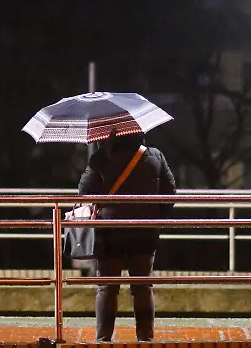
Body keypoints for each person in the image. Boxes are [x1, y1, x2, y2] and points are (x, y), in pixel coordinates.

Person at [78, 130, 177, 342]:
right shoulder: (155, 156)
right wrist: (154, 215)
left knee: (107, 287)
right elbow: (169, 194)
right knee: (142, 288)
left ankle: (103, 339)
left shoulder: (102, 157)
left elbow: (84, 192)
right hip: (144, 232)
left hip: (109, 233)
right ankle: (145, 339)